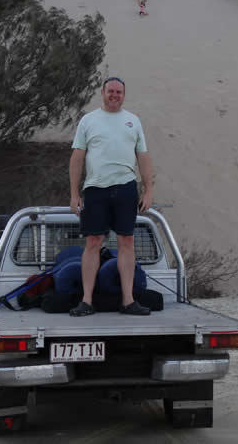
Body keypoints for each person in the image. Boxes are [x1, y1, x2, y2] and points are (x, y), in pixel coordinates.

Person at [69, 77, 154, 317]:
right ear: (103, 93)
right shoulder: (88, 121)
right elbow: (77, 157)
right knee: (93, 242)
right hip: (95, 189)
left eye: (119, 92)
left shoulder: (133, 121)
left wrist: (148, 190)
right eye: (111, 91)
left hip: (126, 188)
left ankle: (128, 301)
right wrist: (74, 193)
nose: (115, 95)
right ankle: (86, 301)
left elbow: (144, 157)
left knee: (126, 242)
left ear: (124, 95)